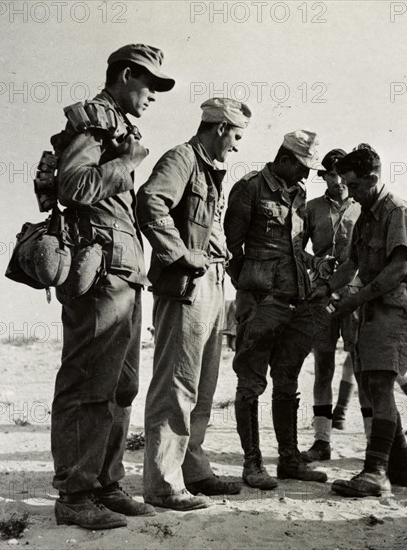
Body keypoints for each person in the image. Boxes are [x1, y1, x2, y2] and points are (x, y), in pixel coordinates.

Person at [51, 44, 175, 529]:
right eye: (149, 85)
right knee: (88, 384)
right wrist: (127, 164)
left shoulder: (120, 127)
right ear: (125, 75)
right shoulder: (96, 122)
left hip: (124, 274)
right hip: (99, 274)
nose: (153, 96)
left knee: (121, 386)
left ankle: (105, 483)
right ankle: (75, 495)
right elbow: (74, 187)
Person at [136, 98, 251, 510]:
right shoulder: (182, 158)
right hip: (187, 285)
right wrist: (182, 254)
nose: (236, 146)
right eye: (235, 136)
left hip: (214, 285)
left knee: (202, 386)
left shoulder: (209, 167)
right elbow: (150, 202)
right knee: (176, 386)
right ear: (220, 128)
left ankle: (192, 470)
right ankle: (164, 485)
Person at [311, 146, 407, 497]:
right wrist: (326, 288)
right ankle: (402, 468)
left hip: (396, 305)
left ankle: (375, 472)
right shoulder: (366, 214)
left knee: (378, 383)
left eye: (354, 185)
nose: (350, 192)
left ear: (373, 179)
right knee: (370, 382)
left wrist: (352, 301)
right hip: (373, 307)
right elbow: (353, 265)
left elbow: (397, 269)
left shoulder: (396, 211)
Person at [224, 130, 328, 490]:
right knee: (251, 383)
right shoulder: (249, 187)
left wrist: (314, 266)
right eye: (302, 168)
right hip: (261, 304)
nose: (307, 177)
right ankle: (252, 465)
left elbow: (293, 247)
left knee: (288, 383)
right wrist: (254, 291)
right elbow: (231, 250)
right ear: (285, 159)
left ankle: (289, 460)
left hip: (295, 302)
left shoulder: (298, 193)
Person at [300, 149, 368, 462]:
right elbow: (294, 250)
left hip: (356, 296)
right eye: (330, 174)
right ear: (323, 176)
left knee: (363, 367)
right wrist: (316, 261)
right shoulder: (310, 208)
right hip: (322, 296)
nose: (337, 181)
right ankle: (321, 441)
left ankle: (373, 442)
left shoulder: (363, 207)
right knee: (324, 368)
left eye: (342, 175)